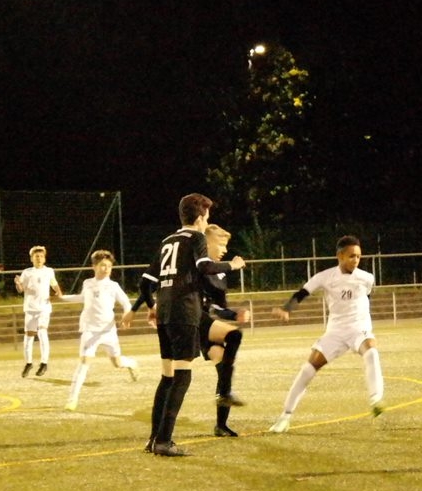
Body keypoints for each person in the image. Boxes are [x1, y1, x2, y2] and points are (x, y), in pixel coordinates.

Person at [137, 194, 245, 456]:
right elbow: (205, 267)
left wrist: (152, 307)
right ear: (199, 217)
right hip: (185, 311)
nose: (207, 221)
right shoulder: (196, 237)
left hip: (165, 313)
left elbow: (144, 282)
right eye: (207, 216)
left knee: (167, 378)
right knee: (182, 376)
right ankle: (164, 441)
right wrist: (233, 265)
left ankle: (154, 439)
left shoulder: (167, 241)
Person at [269, 235, 384, 434]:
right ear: (340, 256)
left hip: (359, 328)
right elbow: (302, 293)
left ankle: (376, 400)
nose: (356, 260)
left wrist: (364, 322)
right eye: (351, 256)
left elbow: (367, 298)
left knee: (371, 352)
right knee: (307, 369)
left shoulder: (367, 277)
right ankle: (285, 417)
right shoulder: (325, 277)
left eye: (358, 256)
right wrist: (286, 309)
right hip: (335, 332)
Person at [58, 250, 140, 412]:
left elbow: (126, 303)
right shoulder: (87, 283)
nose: (106, 268)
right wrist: (62, 298)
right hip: (90, 330)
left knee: (117, 363)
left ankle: (132, 363)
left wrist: (126, 313)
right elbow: (81, 298)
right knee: (84, 363)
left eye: (109, 266)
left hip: (108, 331)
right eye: (102, 265)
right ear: (94, 266)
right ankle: (72, 400)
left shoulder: (113, 286)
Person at [199, 224, 251, 437]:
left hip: (211, 325)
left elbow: (218, 308)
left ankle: (221, 425)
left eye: (226, 245)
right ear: (206, 243)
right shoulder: (200, 266)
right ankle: (226, 392)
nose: (225, 249)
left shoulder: (220, 273)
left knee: (224, 371)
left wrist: (234, 314)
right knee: (235, 335)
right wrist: (232, 265)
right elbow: (205, 305)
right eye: (220, 244)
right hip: (197, 322)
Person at [14, 245, 62, 377]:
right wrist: (18, 284)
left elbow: (54, 284)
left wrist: (58, 293)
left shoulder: (49, 271)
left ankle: (44, 363)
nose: (39, 258)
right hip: (30, 308)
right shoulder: (27, 272)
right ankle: (28, 363)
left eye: (41, 256)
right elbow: (21, 289)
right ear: (32, 259)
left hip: (44, 308)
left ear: (44, 258)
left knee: (42, 332)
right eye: (36, 256)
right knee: (29, 336)